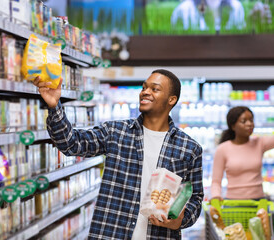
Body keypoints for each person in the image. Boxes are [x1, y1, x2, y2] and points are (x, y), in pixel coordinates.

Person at [33, 69, 203, 240]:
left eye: (155, 89)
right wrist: (54, 106)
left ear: (171, 100)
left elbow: (195, 198)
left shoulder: (189, 148)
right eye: (144, 87)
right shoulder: (115, 132)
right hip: (111, 233)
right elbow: (72, 144)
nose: (145, 92)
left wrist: (179, 221)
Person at [210, 105, 274, 201]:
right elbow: (216, 181)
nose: (249, 124)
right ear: (233, 126)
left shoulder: (259, 143)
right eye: (244, 121)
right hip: (233, 203)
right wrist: (216, 197)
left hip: (259, 201)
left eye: (251, 120)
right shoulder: (222, 149)